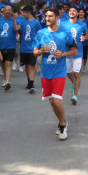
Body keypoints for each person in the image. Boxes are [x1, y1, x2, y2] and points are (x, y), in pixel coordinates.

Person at [33, 9, 77, 140]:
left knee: (57, 100)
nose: (47, 18)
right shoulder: (41, 33)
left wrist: (63, 54)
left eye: (50, 16)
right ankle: (61, 121)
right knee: (51, 101)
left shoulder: (65, 34)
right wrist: (41, 50)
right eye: (46, 15)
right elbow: (34, 52)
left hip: (59, 72)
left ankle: (63, 124)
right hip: (46, 73)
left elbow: (74, 51)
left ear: (57, 17)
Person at [60, 7, 88, 105]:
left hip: (78, 52)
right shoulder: (63, 24)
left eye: (74, 11)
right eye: (70, 11)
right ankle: (73, 82)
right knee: (69, 73)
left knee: (77, 74)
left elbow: (87, 34)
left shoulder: (82, 24)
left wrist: (85, 37)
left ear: (77, 14)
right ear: (68, 13)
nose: (72, 12)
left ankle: (75, 96)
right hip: (67, 52)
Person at [0, 6, 17, 90]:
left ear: (12, 11)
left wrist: (14, 19)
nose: (7, 11)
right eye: (6, 10)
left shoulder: (14, 21)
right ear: (3, 12)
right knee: (2, 64)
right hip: (0, 47)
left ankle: (7, 81)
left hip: (11, 46)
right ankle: (5, 78)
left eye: (9, 10)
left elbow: (17, 29)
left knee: (8, 63)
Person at [18, 5, 41, 93]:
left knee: (32, 65)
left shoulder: (36, 22)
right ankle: (29, 81)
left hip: (33, 47)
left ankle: (31, 83)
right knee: (27, 66)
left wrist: (39, 45)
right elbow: (18, 29)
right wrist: (14, 19)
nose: (22, 14)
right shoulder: (22, 22)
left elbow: (40, 33)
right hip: (24, 47)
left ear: (29, 13)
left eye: (24, 12)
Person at [77, 8, 88, 72]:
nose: (81, 14)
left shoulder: (87, 21)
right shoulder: (75, 21)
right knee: (78, 54)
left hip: (85, 41)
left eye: (82, 12)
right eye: (80, 12)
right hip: (77, 41)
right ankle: (78, 67)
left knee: (85, 55)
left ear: (84, 14)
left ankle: (84, 65)